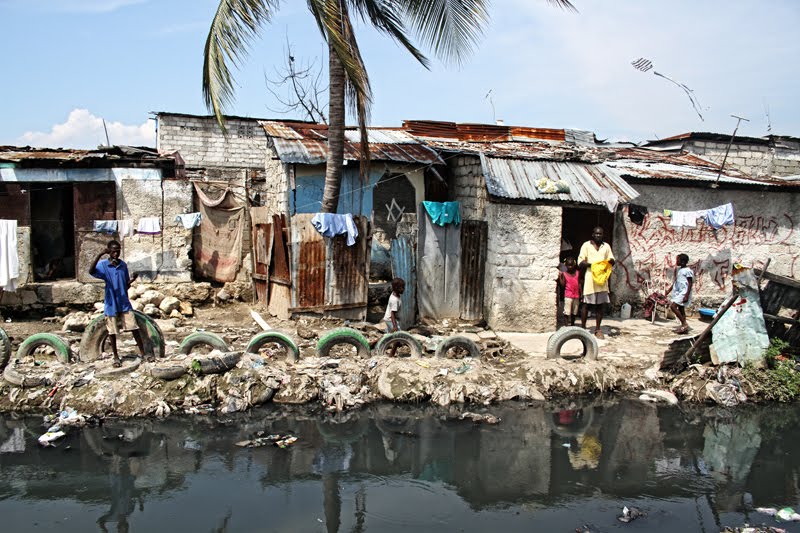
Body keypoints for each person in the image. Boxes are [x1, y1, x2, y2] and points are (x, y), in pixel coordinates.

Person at [89, 240, 147, 366]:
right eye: (113, 251)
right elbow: (91, 271)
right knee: (112, 331)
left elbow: (125, 285)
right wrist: (100, 254)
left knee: (134, 327)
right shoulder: (104, 265)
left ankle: (143, 354)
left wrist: (132, 279)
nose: (116, 253)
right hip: (111, 303)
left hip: (123, 302)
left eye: (118, 251)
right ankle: (116, 357)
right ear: (109, 251)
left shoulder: (123, 265)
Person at [578, 227, 615, 339]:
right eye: (596, 234)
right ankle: (583, 328)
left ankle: (598, 329)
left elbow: (612, 260)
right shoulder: (586, 245)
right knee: (586, 304)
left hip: (602, 280)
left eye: (600, 234)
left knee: (600, 305)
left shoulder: (606, 246)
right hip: (590, 279)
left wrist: (610, 262)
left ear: (603, 235)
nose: (598, 235)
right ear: (593, 234)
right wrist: (593, 265)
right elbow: (580, 262)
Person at [669, 253, 694, 335]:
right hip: (679, 292)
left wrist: (686, 295)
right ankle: (684, 327)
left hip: (684, 292)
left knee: (673, 306)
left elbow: (690, 283)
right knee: (681, 309)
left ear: (683, 261)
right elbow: (676, 282)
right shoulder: (680, 270)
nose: (676, 261)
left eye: (678, 260)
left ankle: (684, 323)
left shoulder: (688, 271)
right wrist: (669, 290)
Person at [558, 257, 581, 326]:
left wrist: (581, 293)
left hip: (576, 295)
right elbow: (562, 285)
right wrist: (560, 277)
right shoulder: (564, 274)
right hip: (568, 295)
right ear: (565, 265)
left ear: (574, 265)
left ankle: (572, 324)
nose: (570, 267)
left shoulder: (577, 273)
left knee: (574, 311)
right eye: (568, 265)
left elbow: (579, 284)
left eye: (571, 265)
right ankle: (566, 325)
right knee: (567, 311)